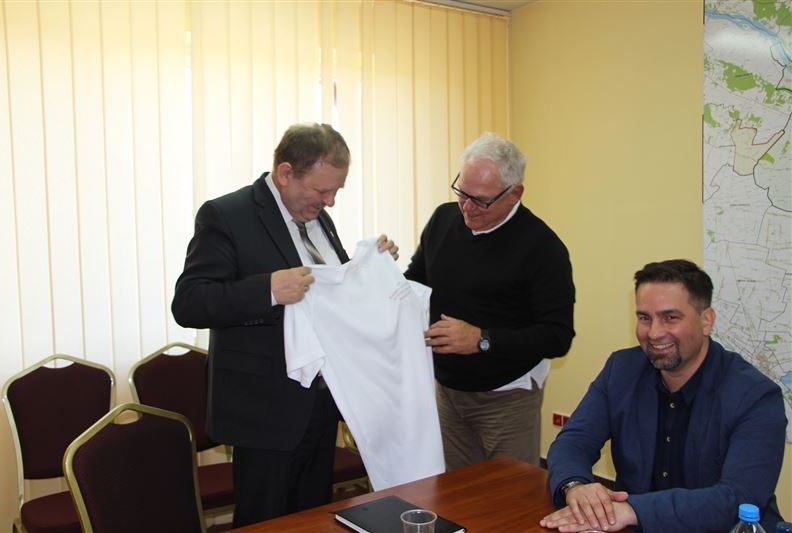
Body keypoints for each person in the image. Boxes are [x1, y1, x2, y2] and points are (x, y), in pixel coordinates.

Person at [171, 122, 398, 527]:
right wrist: (268, 290)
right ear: (285, 173)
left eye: (336, 191)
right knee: (266, 522)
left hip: (322, 403)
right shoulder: (226, 215)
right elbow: (189, 303)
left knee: (313, 520)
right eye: (322, 190)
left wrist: (369, 267)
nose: (329, 201)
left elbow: (328, 294)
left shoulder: (318, 217)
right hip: (264, 410)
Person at [542, 259, 787, 533]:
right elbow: (573, 441)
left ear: (706, 321)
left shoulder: (756, 396)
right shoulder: (621, 369)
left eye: (670, 317)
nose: (654, 333)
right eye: (644, 318)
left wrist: (634, 510)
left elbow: (739, 498)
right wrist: (575, 486)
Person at [403, 132, 575, 469]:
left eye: (480, 200)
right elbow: (416, 283)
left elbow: (557, 336)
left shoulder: (542, 248)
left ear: (515, 194)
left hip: (507, 397)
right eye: (462, 193)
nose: (467, 207)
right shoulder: (442, 220)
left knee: (508, 494)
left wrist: (481, 340)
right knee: (455, 492)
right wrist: (381, 272)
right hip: (447, 392)